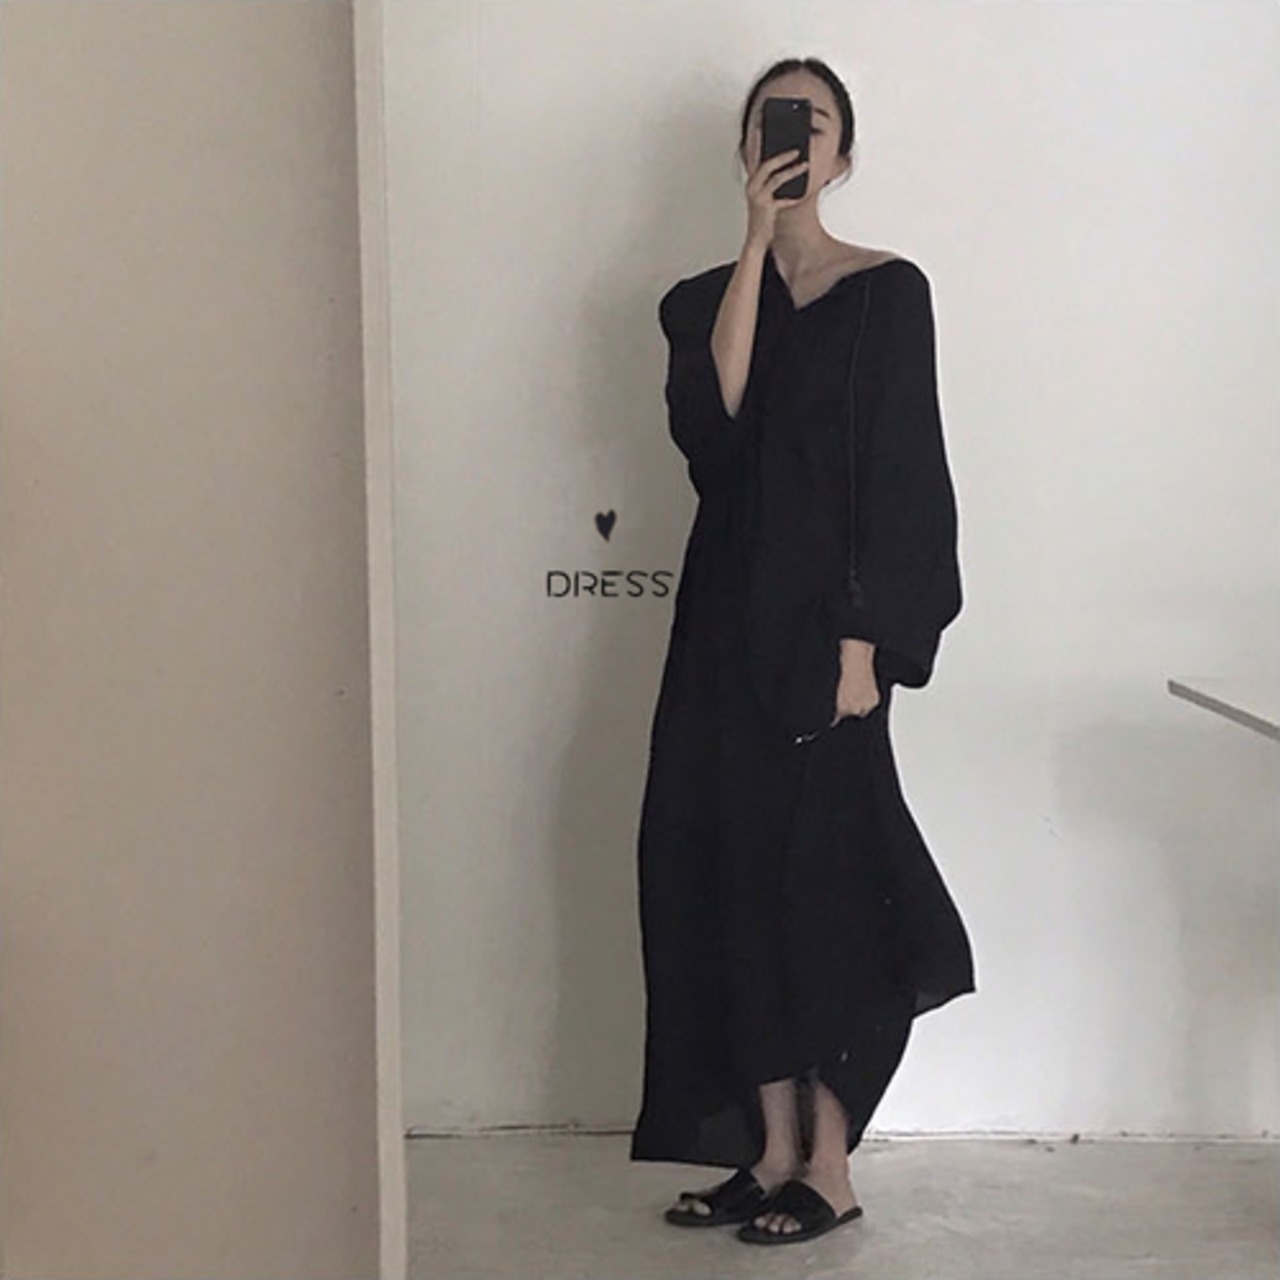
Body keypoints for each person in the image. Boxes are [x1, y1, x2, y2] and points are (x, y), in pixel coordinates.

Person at [628, 56, 977, 1247]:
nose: (791, 140)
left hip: (826, 631)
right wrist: (750, 241)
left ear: (843, 152)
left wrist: (866, 642)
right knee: (725, 875)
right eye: (771, 124)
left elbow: (904, 475)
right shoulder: (698, 299)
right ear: (745, 149)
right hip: (718, 623)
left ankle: (829, 1165)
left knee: (823, 885)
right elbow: (712, 428)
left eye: (812, 123)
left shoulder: (887, 293)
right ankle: (768, 1150)